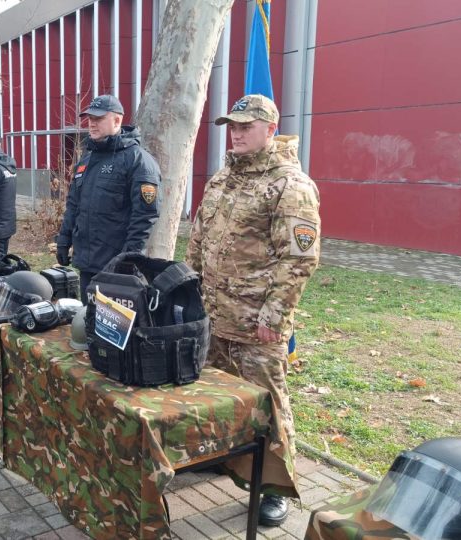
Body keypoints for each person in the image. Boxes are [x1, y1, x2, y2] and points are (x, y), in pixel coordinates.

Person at [185, 94, 321, 527]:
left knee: (268, 405)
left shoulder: (290, 185)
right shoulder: (226, 176)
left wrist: (273, 317)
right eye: (233, 125)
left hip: (255, 325)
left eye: (246, 125)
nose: (237, 132)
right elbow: (199, 237)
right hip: (213, 315)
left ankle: (274, 488)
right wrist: (188, 291)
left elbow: (298, 259)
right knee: (215, 396)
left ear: (270, 129)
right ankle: (223, 457)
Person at [56, 94, 161, 298]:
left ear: (117, 120)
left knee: (112, 326)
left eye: (98, 119)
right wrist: (63, 240)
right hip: (87, 262)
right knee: (89, 320)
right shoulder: (86, 161)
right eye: (90, 119)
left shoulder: (138, 161)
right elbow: (73, 205)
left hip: (116, 267)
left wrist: (128, 259)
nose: (92, 124)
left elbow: (145, 217)